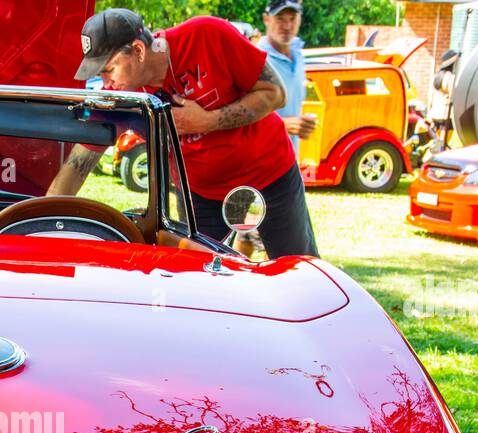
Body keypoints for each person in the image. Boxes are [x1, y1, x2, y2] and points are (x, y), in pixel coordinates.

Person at [54, 8, 318, 258]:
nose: (105, 81)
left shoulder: (206, 35)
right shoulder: (121, 97)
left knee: (297, 268)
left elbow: (275, 94)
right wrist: (43, 218)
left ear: (138, 49)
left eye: (109, 69)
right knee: (194, 278)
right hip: (201, 194)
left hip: (270, 175)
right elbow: (78, 163)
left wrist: (207, 121)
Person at [259, 1, 315, 157]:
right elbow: (236, 122)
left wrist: (302, 125)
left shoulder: (298, 54)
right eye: (280, 18)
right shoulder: (256, 59)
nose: (287, 26)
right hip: (260, 167)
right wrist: (283, 125)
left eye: (292, 18)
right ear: (266, 19)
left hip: (289, 162)